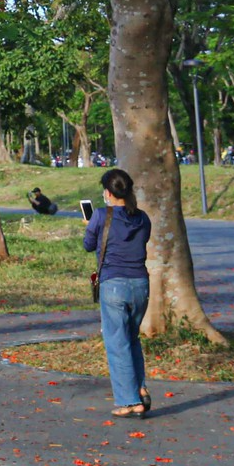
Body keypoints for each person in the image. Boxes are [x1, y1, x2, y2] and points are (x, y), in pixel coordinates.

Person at [84, 167, 152, 417]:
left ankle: (129, 401)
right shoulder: (143, 217)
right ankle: (140, 389)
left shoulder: (101, 216)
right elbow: (139, 242)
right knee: (131, 338)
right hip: (141, 285)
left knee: (117, 342)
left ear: (107, 193)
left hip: (114, 285)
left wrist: (91, 225)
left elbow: (88, 245)